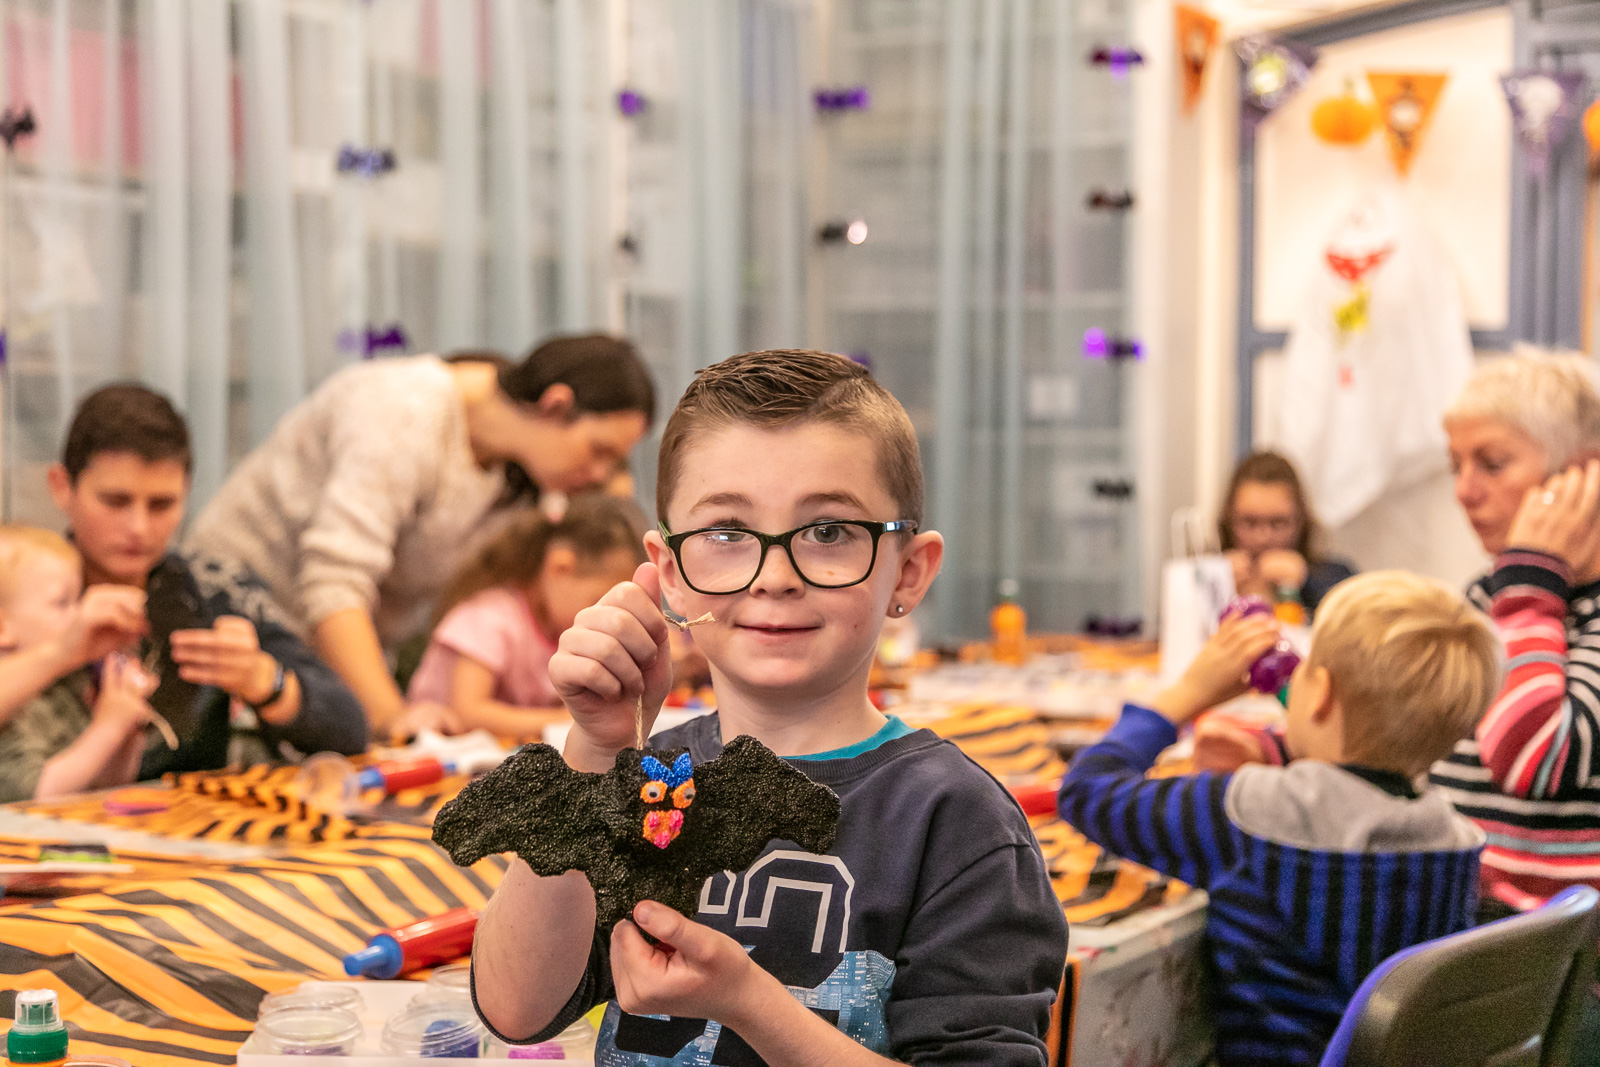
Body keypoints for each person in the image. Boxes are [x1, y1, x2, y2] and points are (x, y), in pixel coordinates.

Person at [470, 351, 1069, 1065]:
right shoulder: (642, 781)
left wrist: (749, 1004)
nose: (775, 578)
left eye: (828, 531)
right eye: (726, 533)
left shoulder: (956, 821)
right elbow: (515, 1006)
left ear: (908, 572)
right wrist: (592, 753)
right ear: (671, 575)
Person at [1060, 571, 1497, 1066]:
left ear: (1321, 693)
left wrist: (1186, 693)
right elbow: (1357, 780)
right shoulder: (1456, 838)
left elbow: (1088, 791)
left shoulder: (1254, 816)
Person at [186, 336, 656, 735]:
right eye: (599, 451)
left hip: (324, 669)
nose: (600, 473)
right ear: (556, 405)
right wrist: (392, 718)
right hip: (230, 629)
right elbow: (334, 586)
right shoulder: (401, 411)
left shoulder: (518, 471)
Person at [49, 384, 368, 778]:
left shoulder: (213, 588)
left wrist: (263, 680)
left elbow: (350, 729)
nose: (139, 527)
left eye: (162, 504)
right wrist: (55, 654)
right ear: (61, 487)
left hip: (187, 809)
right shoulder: (21, 588)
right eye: (115, 501)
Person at [1428, 351, 1600, 912]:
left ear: (1584, 477)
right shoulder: (1488, 597)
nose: (1464, 491)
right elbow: (1406, 734)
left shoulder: (1517, 597)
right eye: (1456, 466)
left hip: (1561, 957)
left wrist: (1530, 582)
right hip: (1465, 934)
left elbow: (1532, 757)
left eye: (1492, 463)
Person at [403, 495, 647, 738]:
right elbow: (470, 714)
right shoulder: (490, 617)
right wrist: (572, 719)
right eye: (596, 601)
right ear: (560, 568)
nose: (606, 618)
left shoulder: (557, 627)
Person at [0, 527, 158, 802]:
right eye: (62, 603)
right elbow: (35, 795)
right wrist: (108, 727)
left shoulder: (64, 686)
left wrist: (127, 730)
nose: (80, 615)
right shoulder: (16, 707)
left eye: (78, 600)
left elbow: (105, 786)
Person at [1219, 450, 1356, 615]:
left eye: (1278, 523)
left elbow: (1359, 611)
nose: (1263, 537)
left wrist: (1307, 581)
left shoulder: (1333, 576)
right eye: (1250, 523)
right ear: (1229, 521)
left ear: (1300, 522)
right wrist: (1213, 583)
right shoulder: (1203, 574)